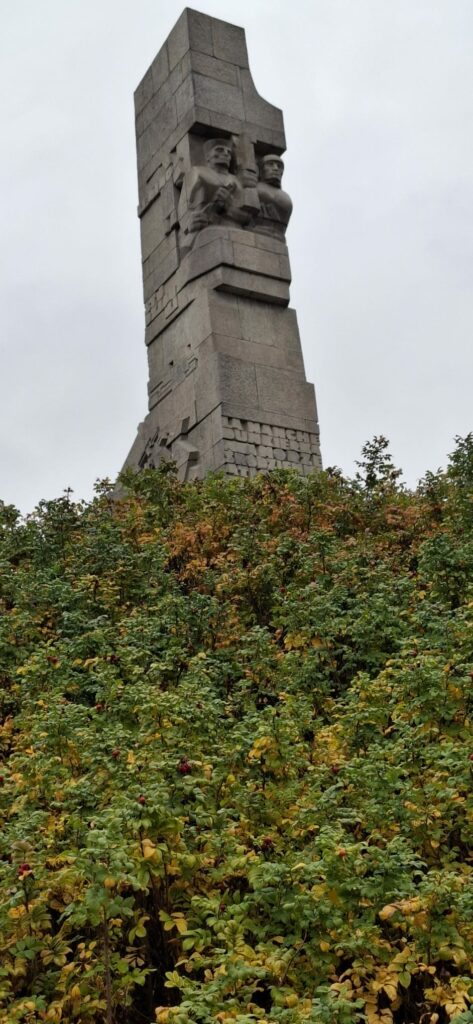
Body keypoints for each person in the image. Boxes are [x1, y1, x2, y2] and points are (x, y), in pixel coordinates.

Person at [255, 154, 293, 240]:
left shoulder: (284, 195)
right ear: (260, 169)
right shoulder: (255, 188)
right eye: (270, 164)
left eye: (279, 166)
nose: (275, 168)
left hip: (278, 237)